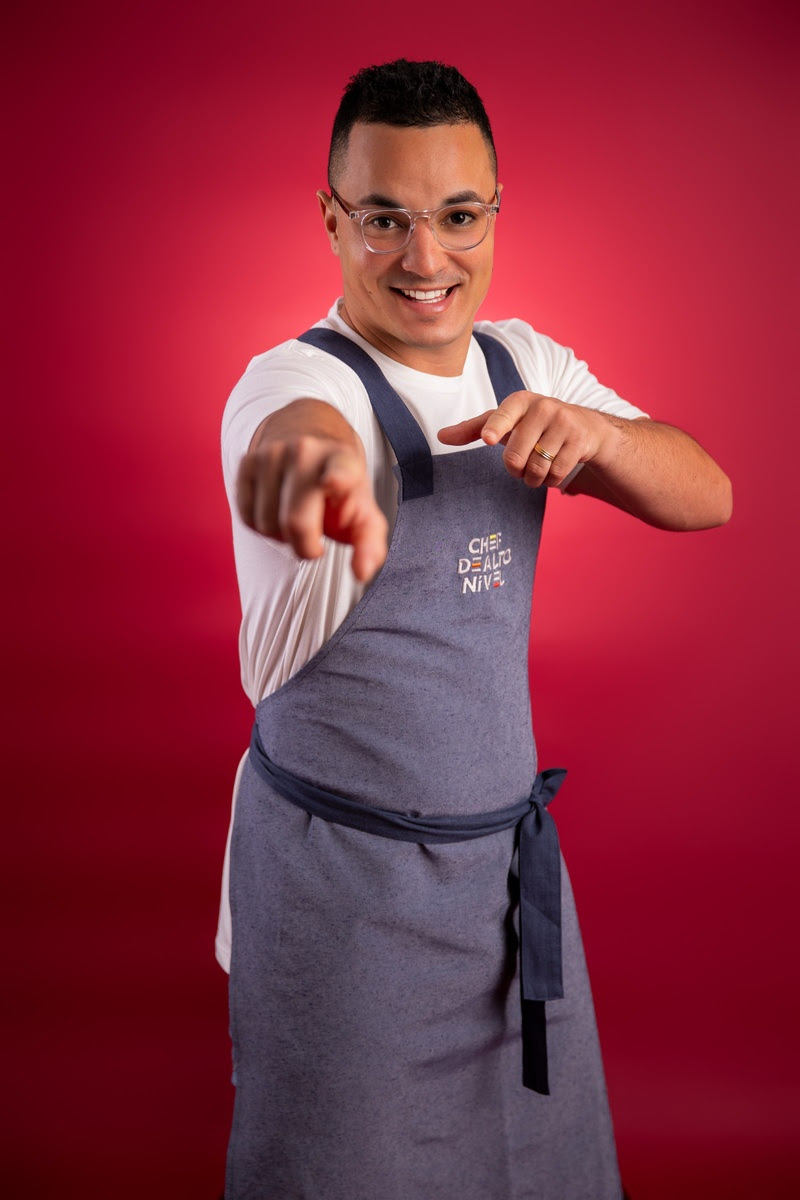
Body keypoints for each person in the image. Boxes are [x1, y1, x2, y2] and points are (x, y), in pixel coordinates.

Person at [217, 59, 731, 1200]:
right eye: (384, 219)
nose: (425, 258)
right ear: (330, 219)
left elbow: (708, 494)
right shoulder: (289, 382)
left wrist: (598, 438)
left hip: (504, 888)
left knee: (534, 1174)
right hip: (343, 901)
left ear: (494, 213)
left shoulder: (523, 363)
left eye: (457, 216)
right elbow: (291, 445)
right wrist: (318, 488)